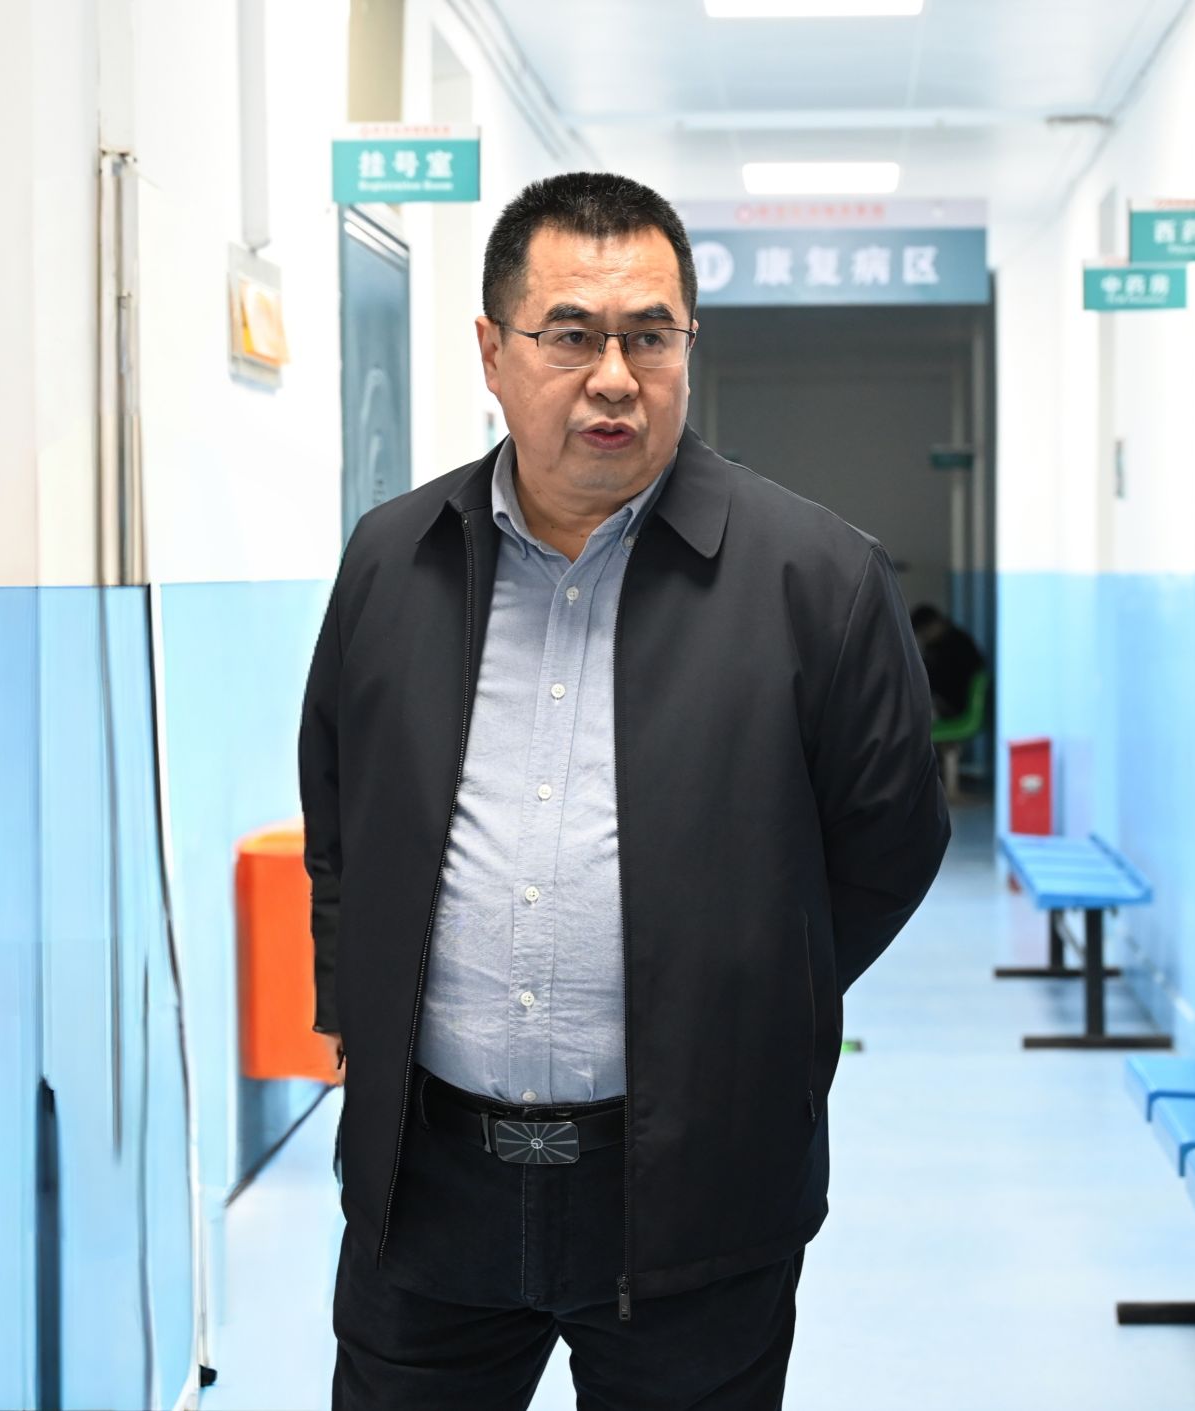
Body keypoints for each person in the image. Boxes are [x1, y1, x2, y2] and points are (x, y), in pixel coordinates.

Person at [298, 172, 950, 1410]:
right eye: (570, 335)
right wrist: (360, 1014)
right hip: (426, 1189)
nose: (613, 377)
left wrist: (744, 1000)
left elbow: (888, 848)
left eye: (650, 336)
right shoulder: (393, 561)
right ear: (491, 352)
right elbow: (342, 815)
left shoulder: (815, 579)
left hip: (697, 1193)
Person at [910, 603, 987, 722]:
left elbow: (944, 678)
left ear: (933, 624)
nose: (924, 637)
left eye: (924, 632)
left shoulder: (956, 644)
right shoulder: (944, 642)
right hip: (950, 701)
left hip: (956, 704)